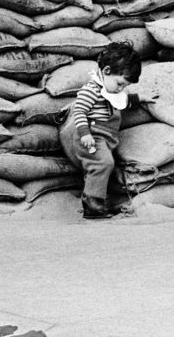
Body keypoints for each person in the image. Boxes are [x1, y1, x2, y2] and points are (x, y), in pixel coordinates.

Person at [60, 41, 141, 219]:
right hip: (92, 136)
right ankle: (92, 206)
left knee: (99, 167)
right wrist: (85, 133)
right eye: (120, 84)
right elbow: (79, 111)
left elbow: (123, 101)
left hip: (106, 138)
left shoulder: (111, 90)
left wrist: (141, 100)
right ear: (106, 71)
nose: (121, 89)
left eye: (124, 86)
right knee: (103, 163)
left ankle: (98, 201)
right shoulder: (91, 90)